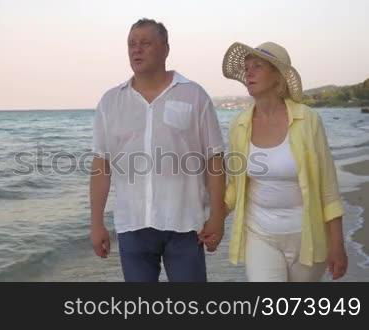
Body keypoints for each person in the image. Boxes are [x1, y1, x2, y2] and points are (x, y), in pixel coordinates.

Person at [89, 18, 226, 282]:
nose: (136, 49)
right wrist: (96, 223)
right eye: (131, 44)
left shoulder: (193, 95)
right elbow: (101, 166)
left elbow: (215, 160)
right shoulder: (110, 101)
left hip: (185, 224)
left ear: (165, 48)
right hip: (133, 224)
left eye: (145, 43)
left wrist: (217, 217)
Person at [222, 41, 348, 281]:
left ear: (278, 76)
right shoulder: (239, 125)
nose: (249, 72)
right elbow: (235, 188)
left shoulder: (308, 121)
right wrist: (213, 218)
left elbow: (328, 189)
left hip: (307, 235)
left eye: (257, 66)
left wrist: (337, 245)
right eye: (247, 67)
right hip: (260, 234)